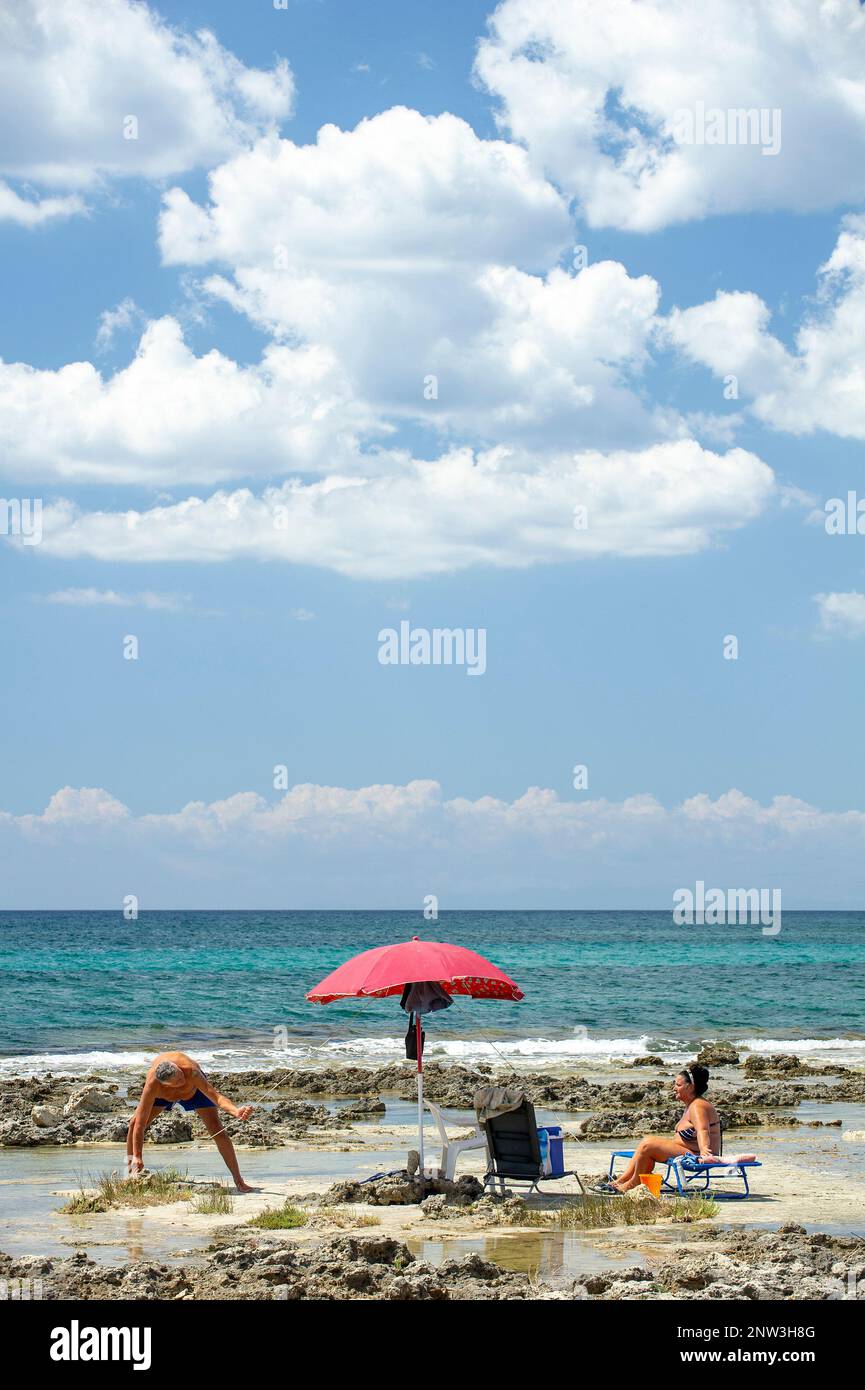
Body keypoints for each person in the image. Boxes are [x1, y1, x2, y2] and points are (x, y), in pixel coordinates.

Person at [126, 1051, 255, 1191]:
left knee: (217, 1129)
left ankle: (239, 1180)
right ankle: (132, 1173)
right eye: (177, 1082)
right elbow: (140, 1123)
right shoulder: (153, 1084)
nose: (182, 1082)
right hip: (164, 1097)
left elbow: (217, 1098)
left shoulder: (192, 1073)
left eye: (181, 1076)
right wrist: (137, 1156)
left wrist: (235, 1111)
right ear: (166, 1085)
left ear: (177, 1068)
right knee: (133, 1123)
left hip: (194, 1093)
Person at [601, 1064, 721, 1194]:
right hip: (688, 1151)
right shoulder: (691, 1105)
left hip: (696, 1156)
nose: (674, 1088)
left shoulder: (698, 1106)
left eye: (678, 1085)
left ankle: (633, 1183)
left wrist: (704, 1151)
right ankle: (622, 1181)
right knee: (646, 1145)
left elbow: (703, 1130)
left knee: (648, 1144)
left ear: (690, 1086)